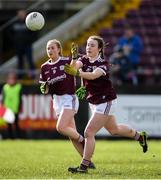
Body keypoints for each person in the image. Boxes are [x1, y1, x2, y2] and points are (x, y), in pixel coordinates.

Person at [64, 35, 148, 173]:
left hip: (106, 101)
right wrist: (73, 58)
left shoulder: (102, 63)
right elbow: (73, 68)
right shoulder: (83, 59)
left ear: (100, 48)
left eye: (92, 45)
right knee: (114, 129)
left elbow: (93, 75)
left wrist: (78, 74)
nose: (88, 47)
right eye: (87, 45)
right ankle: (140, 136)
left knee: (88, 132)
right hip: (95, 101)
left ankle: (84, 166)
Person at [39, 39, 95, 169]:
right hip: (57, 101)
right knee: (71, 134)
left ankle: (83, 140)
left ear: (59, 49)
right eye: (48, 48)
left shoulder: (65, 61)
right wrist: (44, 88)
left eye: (53, 48)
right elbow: (45, 87)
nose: (50, 51)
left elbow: (74, 67)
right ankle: (87, 162)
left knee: (61, 127)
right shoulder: (44, 67)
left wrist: (74, 57)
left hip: (69, 98)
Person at [10, 9, 37, 79]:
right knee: (20, 62)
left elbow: (34, 32)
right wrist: (14, 40)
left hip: (27, 45)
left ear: (25, 14)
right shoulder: (14, 23)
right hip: (18, 46)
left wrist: (29, 40)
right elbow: (9, 33)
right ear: (17, 15)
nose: (21, 15)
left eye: (22, 13)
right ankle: (20, 77)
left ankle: (33, 76)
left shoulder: (29, 23)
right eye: (19, 14)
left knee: (30, 60)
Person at [1, 72, 22, 139]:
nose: (11, 81)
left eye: (13, 79)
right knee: (9, 125)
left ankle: (18, 137)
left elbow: (20, 98)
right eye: (10, 79)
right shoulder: (5, 87)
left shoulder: (18, 87)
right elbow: (3, 98)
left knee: (16, 124)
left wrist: (19, 107)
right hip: (7, 109)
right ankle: (10, 138)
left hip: (15, 109)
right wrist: (2, 108)